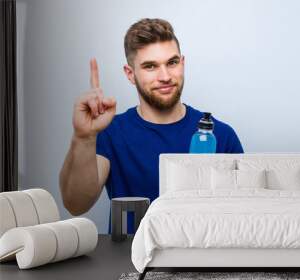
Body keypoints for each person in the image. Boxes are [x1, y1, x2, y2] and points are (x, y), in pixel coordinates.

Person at [59, 18, 244, 233]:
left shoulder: (221, 135)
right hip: (129, 263)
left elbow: (239, 217)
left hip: (201, 260)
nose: (165, 76)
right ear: (131, 74)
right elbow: (75, 203)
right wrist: (83, 137)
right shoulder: (111, 132)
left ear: (182, 63)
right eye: (150, 66)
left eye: (172, 63)